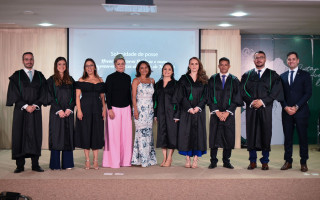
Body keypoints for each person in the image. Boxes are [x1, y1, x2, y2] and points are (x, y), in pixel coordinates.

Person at [240, 51, 283, 170]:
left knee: (265, 132)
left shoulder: (272, 75)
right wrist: (252, 101)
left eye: (261, 57)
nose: (259, 59)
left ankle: (265, 161)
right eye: (256, 58)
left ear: (265, 59)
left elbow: (275, 91)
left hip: (265, 108)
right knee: (251, 133)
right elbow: (242, 90)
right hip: (252, 108)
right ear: (254, 60)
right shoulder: (247, 75)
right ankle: (252, 161)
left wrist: (263, 101)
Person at [6, 52, 47, 173]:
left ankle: (35, 164)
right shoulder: (16, 76)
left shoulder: (39, 76)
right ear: (23, 61)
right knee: (19, 136)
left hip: (35, 111)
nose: (29, 61)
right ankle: (20, 165)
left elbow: (43, 93)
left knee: (35, 136)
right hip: (21, 112)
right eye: (26, 59)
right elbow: (13, 93)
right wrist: (25, 106)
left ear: (33, 60)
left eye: (31, 59)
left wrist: (34, 105)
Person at [173, 57, 208, 169]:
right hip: (186, 111)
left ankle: (195, 160)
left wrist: (198, 107)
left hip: (199, 112)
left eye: (196, 64)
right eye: (192, 64)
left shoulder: (204, 79)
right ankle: (187, 159)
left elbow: (205, 96)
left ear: (199, 65)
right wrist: (189, 108)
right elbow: (180, 95)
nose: (194, 66)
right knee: (186, 134)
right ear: (188, 65)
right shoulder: (183, 79)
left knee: (198, 135)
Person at [280, 52, 312, 172]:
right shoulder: (282, 76)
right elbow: (280, 95)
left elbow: (308, 93)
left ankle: (303, 162)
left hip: (301, 112)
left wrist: (297, 106)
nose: (291, 61)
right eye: (289, 59)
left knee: (303, 138)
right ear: (287, 61)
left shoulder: (305, 75)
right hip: (286, 112)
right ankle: (288, 161)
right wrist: (285, 107)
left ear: (298, 60)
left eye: (293, 59)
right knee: (287, 138)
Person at [207, 57, 242, 169]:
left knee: (228, 137)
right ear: (218, 66)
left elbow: (237, 98)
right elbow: (209, 96)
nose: (223, 67)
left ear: (229, 66)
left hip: (229, 114)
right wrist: (216, 111)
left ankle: (226, 161)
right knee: (214, 137)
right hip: (215, 113)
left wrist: (228, 112)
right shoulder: (212, 79)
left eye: (225, 64)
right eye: (221, 64)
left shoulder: (235, 80)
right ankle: (213, 161)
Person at [75, 58, 106, 170]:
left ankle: (96, 160)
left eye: (91, 65)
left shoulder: (100, 79)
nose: (89, 68)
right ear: (84, 68)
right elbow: (77, 96)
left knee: (96, 134)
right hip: (85, 109)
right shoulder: (81, 80)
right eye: (87, 66)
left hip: (97, 109)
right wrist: (79, 110)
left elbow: (103, 97)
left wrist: (104, 109)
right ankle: (87, 160)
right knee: (86, 134)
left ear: (94, 67)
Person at [102, 54, 132, 168]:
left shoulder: (128, 77)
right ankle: (113, 162)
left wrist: (131, 109)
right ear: (115, 65)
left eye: (122, 64)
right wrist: (109, 109)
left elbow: (128, 94)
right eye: (118, 64)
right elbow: (107, 94)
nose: (121, 66)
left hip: (126, 109)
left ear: (125, 65)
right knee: (113, 136)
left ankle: (125, 161)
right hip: (113, 109)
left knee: (126, 136)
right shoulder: (110, 77)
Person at [47, 57, 75, 170]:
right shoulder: (51, 80)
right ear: (56, 66)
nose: (62, 66)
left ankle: (67, 163)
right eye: (59, 64)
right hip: (56, 113)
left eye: (64, 64)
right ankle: (55, 164)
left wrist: (69, 108)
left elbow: (75, 96)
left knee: (68, 136)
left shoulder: (71, 80)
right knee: (56, 136)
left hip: (68, 112)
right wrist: (59, 110)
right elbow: (50, 96)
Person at [131, 61, 157, 167]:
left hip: (149, 110)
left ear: (148, 68)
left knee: (148, 134)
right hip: (140, 110)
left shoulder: (152, 80)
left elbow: (154, 97)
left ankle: (149, 159)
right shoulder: (136, 81)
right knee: (141, 134)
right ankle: (141, 159)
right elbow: (133, 97)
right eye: (142, 68)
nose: (144, 69)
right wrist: (135, 110)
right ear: (138, 69)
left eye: (146, 67)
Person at [153, 62, 180, 167]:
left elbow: (178, 101)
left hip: (171, 113)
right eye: (165, 69)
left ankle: (169, 158)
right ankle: (164, 158)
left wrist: (177, 114)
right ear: (162, 71)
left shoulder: (176, 84)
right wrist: (156, 114)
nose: (167, 71)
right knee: (162, 135)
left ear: (172, 71)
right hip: (160, 113)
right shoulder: (158, 84)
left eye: (169, 69)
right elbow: (155, 100)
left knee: (171, 136)